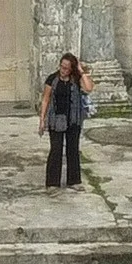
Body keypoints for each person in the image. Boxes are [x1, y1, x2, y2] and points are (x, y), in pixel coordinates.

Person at [40, 53, 90, 189]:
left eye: (66, 68)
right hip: (56, 119)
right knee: (56, 150)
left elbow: (89, 88)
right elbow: (45, 99)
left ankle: (73, 181)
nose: (63, 70)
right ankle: (52, 183)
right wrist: (42, 120)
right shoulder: (52, 79)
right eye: (62, 67)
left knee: (72, 149)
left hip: (73, 119)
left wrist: (81, 71)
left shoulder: (76, 78)